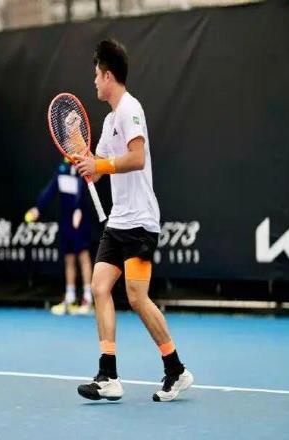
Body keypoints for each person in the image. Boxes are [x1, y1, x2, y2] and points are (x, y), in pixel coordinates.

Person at [73, 39, 193, 402]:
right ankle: (108, 375)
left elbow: (136, 157)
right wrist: (81, 149)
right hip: (118, 222)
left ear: (109, 76)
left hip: (140, 221)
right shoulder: (110, 120)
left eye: (96, 75)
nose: (94, 81)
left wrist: (101, 164)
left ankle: (176, 369)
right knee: (99, 287)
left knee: (137, 297)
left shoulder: (130, 109)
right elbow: (98, 168)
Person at [25, 159, 94, 315]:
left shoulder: (83, 168)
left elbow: (83, 190)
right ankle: (70, 298)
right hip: (66, 221)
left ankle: (88, 298)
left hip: (80, 220)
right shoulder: (62, 169)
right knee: (69, 258)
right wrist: (38, 208)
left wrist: (78, 209)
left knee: (83, 256)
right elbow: (50, 190)